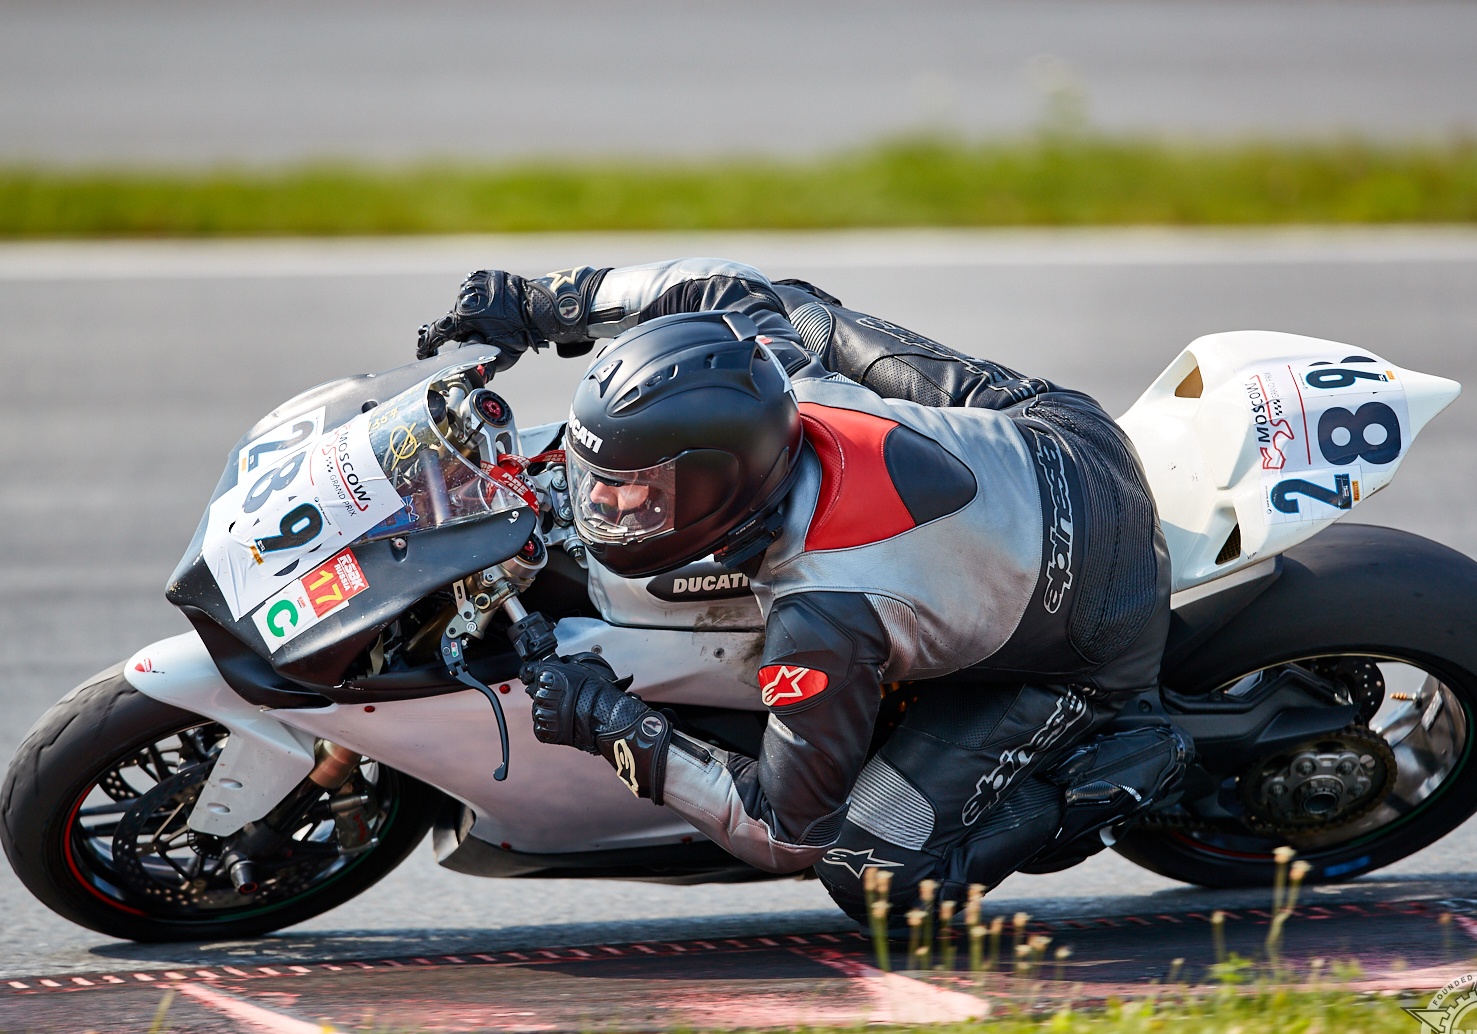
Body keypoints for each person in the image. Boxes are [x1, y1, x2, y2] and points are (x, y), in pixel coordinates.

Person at [416, 259, 1190, 924]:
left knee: (869, 871)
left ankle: (1120, 763)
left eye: (636, 491)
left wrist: (611, 724)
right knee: (793, 306)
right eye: (600, 479)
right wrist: (539, 302)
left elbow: (786, 830)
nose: (602, 502)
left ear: (715, 486)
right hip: (1068, 432)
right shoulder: (784, 372)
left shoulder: (820, 613)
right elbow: (717, 284)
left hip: (1096, 628)